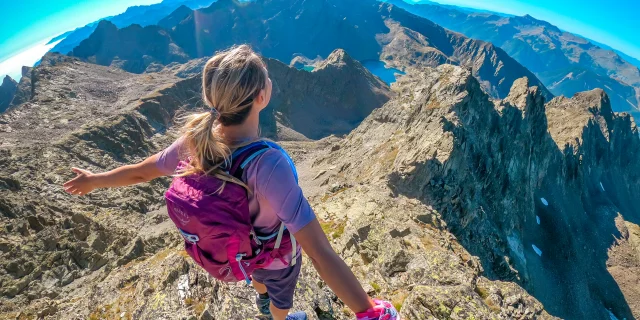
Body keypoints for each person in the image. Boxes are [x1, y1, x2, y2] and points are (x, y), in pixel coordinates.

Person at [63, 45, 399, 320]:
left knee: (258, 275)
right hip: (276, 258)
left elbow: (141, 171)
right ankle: (276, 316)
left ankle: (262, 297)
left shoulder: (192, 141)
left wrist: (96, 181)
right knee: (282, 293)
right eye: (266, 79)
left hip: (242, 252)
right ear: (260, 96)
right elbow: (319, 252)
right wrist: (369, 312)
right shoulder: (269, 164)